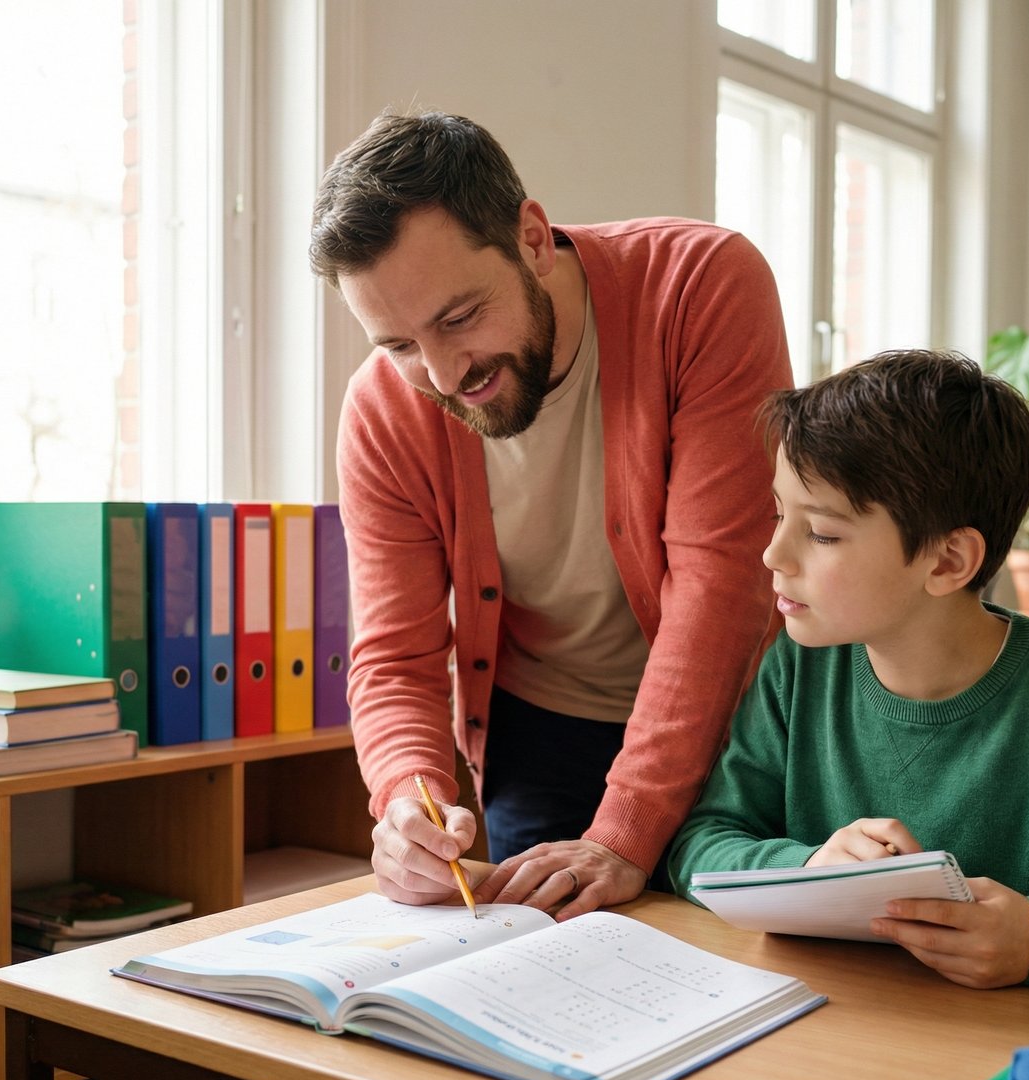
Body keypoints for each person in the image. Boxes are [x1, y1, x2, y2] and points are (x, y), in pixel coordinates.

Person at [309, 109, 790, 918]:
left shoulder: (702, 284)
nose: (441, 372)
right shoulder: (384, 410)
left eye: (458, 318)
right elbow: (394, 654)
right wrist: (409, 803)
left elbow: (723, 586)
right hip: (547, 729)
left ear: (532, 237)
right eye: (397, 343)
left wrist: (626, 833)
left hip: (742, 715)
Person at [667, 348, 1029, 991]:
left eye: (823, 533)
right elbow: (701, 844)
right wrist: (808, 867)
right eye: (780, 514)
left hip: (1015, 1064)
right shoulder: (798, 673)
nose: (771, 552)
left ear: (949, 562)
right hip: (834, 1043)